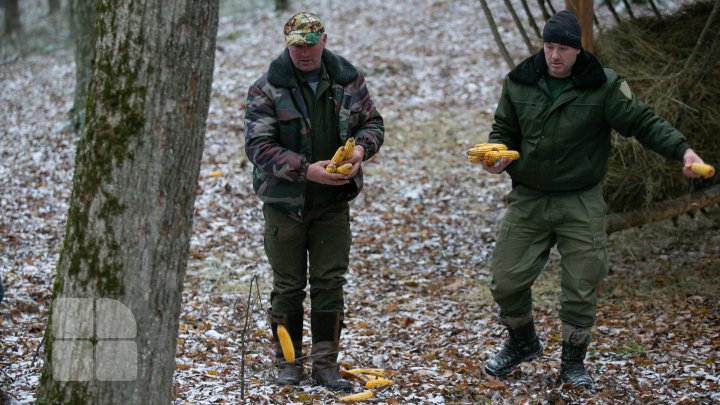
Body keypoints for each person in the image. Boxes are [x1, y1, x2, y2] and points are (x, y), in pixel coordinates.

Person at [479, 10, 707, 389]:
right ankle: (522, 342)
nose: (555, 56)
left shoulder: (603, 85)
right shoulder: (520, 81)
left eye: (563, 49)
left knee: (581, 285)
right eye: (549, 47)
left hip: (580, 200)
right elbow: (504, 130)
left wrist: (683, 151)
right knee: (505, 281)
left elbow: (643, 122)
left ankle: (573, 362)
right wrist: (498, 157)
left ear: (577, 50)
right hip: (529, 198)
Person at [244, 11, 384, 391]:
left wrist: (360, 153)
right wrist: (307, 170)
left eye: (310, 43)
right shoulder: (266, 89)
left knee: (329, 282)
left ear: (324, 40)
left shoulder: (347, 80)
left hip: (332, 203)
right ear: (287, 44)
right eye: (297, 45)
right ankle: (288, 364)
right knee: (288, 285)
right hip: (284, 204)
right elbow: (258, 147)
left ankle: (325, 364)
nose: (304, 52)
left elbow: (373, 124)